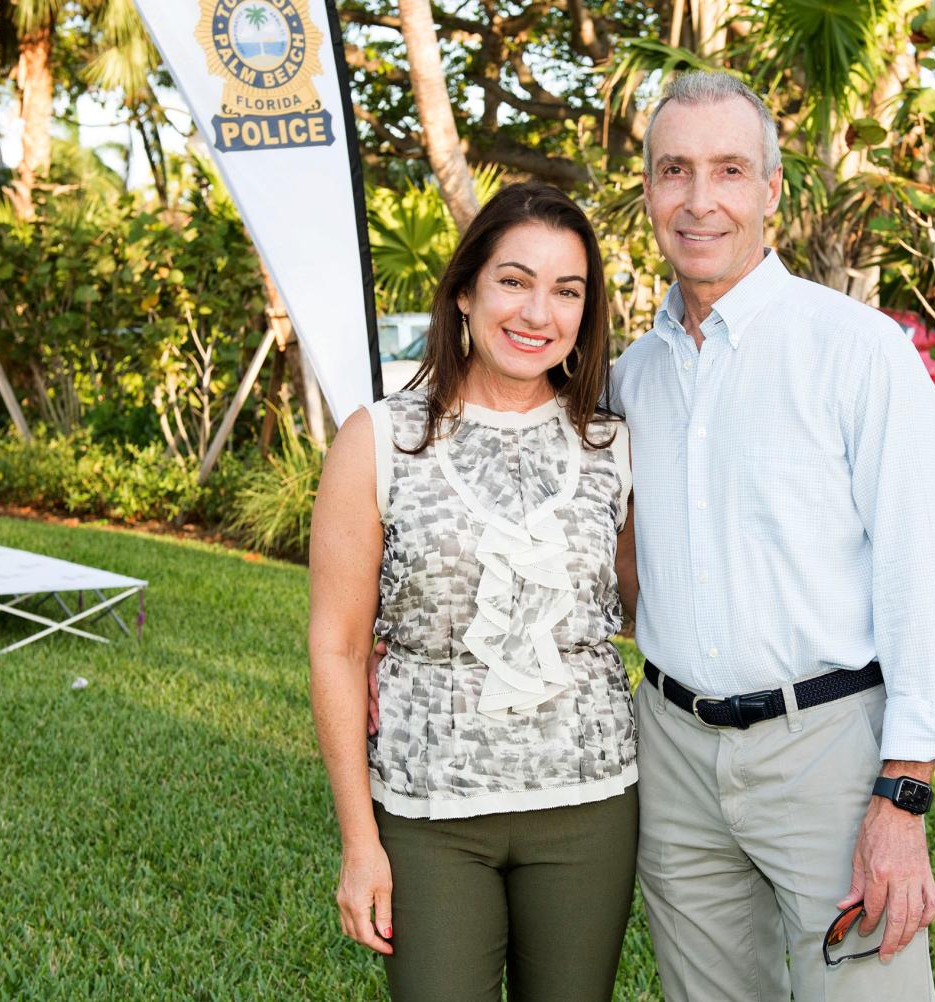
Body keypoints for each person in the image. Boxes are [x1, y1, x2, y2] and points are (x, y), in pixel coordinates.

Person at [610, 72, 935, 1001]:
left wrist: (902, 798)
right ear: (648, 190)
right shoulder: (630, 377)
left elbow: (926, 577)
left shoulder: (857, 353)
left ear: (771, 191)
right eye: (674, 171)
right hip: (673, 755)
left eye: (729, 170)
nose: (700, 201)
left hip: (826, 752)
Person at [309, 182, 637, 1002]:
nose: (538, 312)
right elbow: (337, 646)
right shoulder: (378, 438)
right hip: (427, 814)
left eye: (567, 290)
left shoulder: (612, 442)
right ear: (465, 291)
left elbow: (648, 612)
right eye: (514, 280)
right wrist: (360, 842)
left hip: (589, 804)